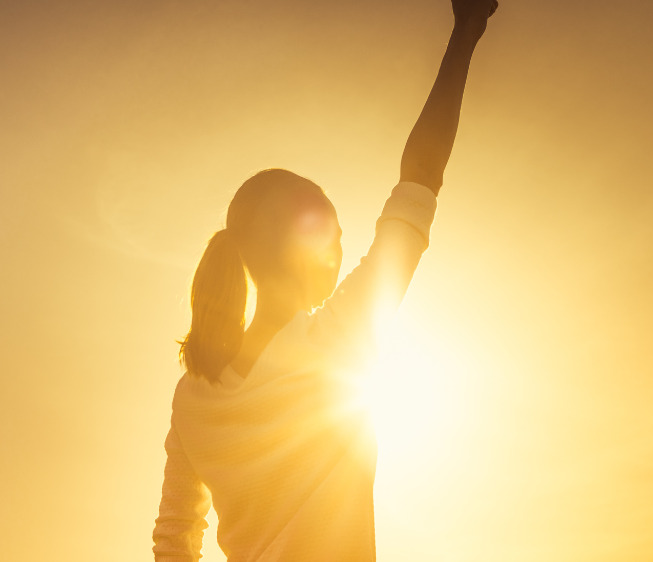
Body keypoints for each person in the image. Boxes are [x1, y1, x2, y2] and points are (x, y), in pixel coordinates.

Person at [151, 1, 498, 560]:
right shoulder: (338, 339)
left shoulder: (192, 396)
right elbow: (419, 181)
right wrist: (465, 34)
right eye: (335, 237)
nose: (342, 252)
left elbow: (174, 537)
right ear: (309, 249)